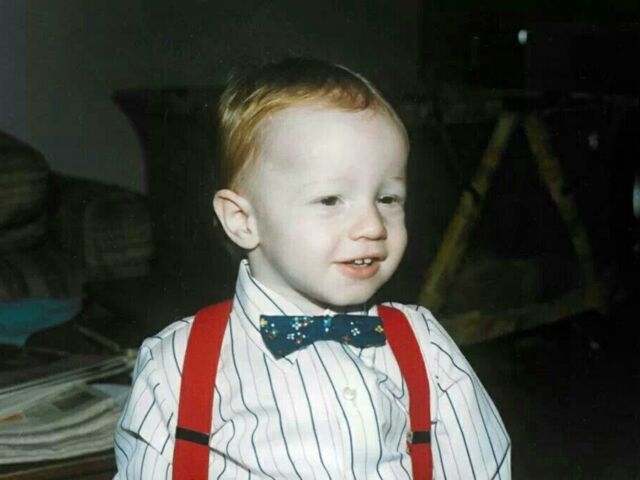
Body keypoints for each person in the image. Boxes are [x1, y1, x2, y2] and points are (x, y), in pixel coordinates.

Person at [114, 58, 511, 479]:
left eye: (387, 199)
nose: (373, 226)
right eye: (330, 200)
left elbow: (481, 467)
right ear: (242, 220)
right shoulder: (176, 366)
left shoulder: (424, 345)